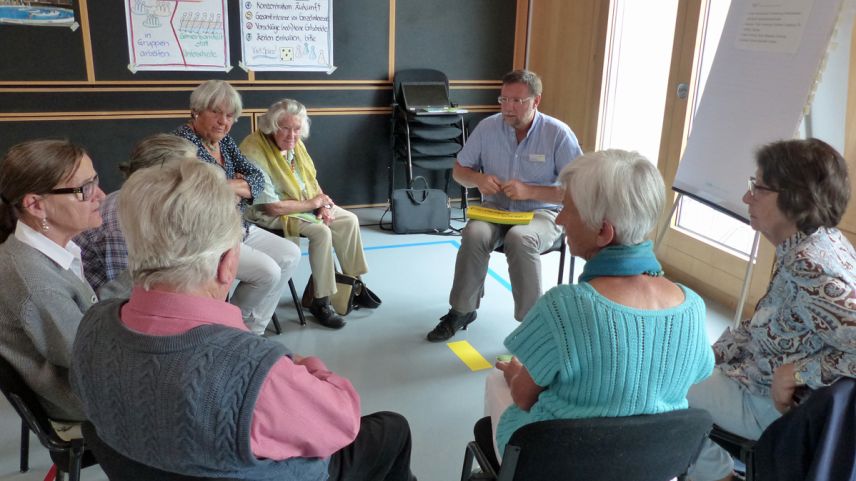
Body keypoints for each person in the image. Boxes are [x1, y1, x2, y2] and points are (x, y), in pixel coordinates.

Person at [70, 157, 417, 481]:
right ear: (228, 263)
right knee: (393, 429)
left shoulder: (92, 325)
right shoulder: (253, 372)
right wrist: (305, 365)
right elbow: (342, 423)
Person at [479, 149, 714, 468]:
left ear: (603, 231)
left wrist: (518, 374)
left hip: (564, 464)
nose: (559, 219)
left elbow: (523, 396)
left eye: (567, 209)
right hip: (651, 463)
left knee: (498, 378)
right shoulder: (693, 307)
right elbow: (699, 371)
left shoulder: (563, 306)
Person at [687, 138, 856, 481]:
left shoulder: (811, 265)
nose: (747, 197)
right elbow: (766, 321)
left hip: (766, 402)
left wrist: (797, 372)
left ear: (795, 200)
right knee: (677, 363)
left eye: (758, 188)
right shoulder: (814, 243)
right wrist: (713, 354)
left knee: (654, 382)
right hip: (752, 377)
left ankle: (718, 475)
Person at [427, 69, 583, 342]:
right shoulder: (488, 128)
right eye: (504, 100)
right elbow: (459, 171)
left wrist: (530, 190)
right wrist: (477, 179)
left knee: (520, 238)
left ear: (536, 101)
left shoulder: (558, 134)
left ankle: (532, 326)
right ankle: (462, 310)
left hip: (542, 213)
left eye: (517, 101)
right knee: (474, 233)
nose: (508, 108)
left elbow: (578, 190)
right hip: (495, 210)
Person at [174, 79, 302, 335]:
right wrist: (233, 185)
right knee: (268, 272)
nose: (224, 121)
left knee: (290, 254)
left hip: (238, 226)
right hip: (206, 236)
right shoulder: (182, 143)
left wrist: (224, 186)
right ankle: (230, 329)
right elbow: (197, 190)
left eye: (230, 115)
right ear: (196, 110)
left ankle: (252, 329)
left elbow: (255, 178)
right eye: (216, 112)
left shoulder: (225, 142)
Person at [0, 139, 106, 439]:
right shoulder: (35, 281)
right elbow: (86, 358)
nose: (99, 195)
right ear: (36, 205)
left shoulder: (44, 251)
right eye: (84, 189)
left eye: (95, 181)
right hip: (81, 401)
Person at [240, 99, 378, 329]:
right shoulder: (254, 150)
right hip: (268, 212)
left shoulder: (296, 144)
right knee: (320, 232)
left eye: (296, 129)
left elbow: (310, 182)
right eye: (284, 128)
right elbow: (271, 206)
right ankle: (321, 301)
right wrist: (313, 203)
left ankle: (352, 283)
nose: (291, 135)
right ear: (271, 126)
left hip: (303, 203)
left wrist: (322, 205)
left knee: (348, 220)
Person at [75, 134, 197, 299]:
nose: (195, 179)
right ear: (159, 177)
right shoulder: (121, 220)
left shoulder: (150, 204)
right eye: (187, 172)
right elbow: (125, 295)